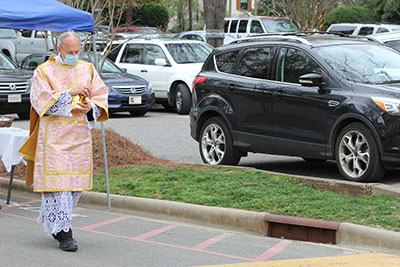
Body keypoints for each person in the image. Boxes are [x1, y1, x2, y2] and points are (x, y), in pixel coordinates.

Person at [19, 30, 108, 252]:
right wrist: (70, 93)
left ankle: (59, 226)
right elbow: (40, 100)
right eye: (70, 52)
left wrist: (91, 108)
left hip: (79, 137)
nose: (74, 55)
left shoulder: (87, 68)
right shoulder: (44, 71)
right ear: (59, 50)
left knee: (74, 188)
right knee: (59, 186)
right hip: (55, 138)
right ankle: (65, 233)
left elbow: (100, 94)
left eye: (77, 51)